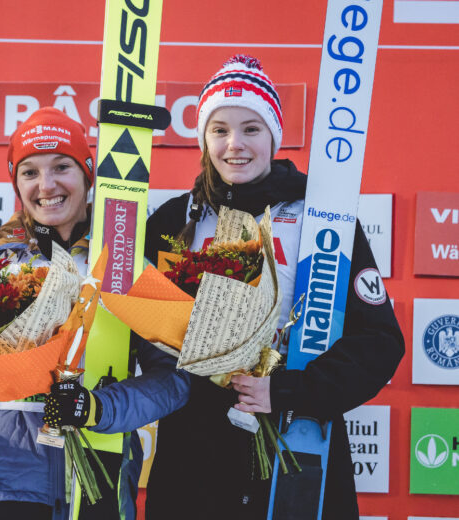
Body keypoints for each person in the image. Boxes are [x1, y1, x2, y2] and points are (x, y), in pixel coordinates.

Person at [48, 55, 404, 519]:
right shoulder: (174, 223)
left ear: (274, 136)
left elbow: (379, 342)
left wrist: (289, 391)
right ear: (203, 139)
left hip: (296, 453)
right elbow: (131, 328)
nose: (235, 144)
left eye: (251, 129)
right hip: (195, 463)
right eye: (219, 129)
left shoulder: (323, 221)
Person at [0, 107, 186, 520]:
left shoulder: (124, 264)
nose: (46, 185)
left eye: (61, 166)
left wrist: (97, 408)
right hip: (7, 473)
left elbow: (173, 379)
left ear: (87, 175)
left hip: (101, 468)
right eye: (29, 172)